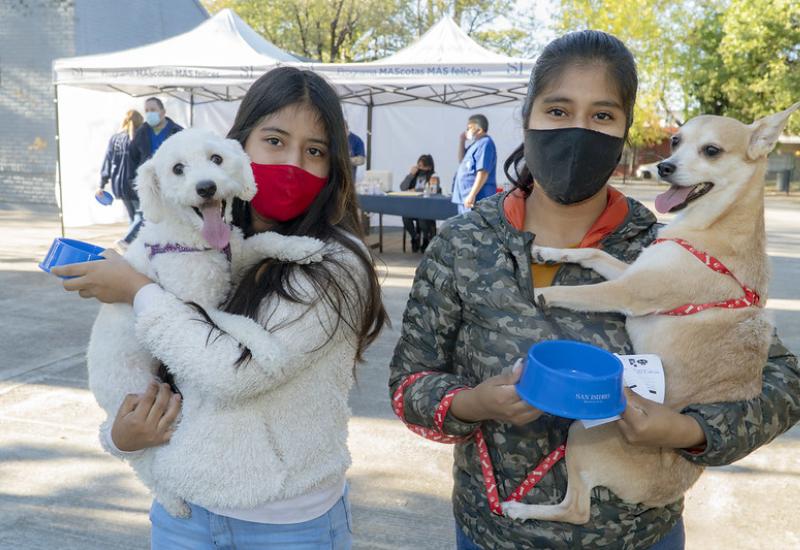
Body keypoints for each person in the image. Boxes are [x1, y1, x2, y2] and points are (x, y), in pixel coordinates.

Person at [389, 30, 800, 550]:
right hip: (492, 534)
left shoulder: (674, 248)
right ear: (528, 116)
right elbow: (408, 385)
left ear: (624, 130)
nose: (578, 130)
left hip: (640, 538)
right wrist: (471, 403)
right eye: (558, 110)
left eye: (602, 116)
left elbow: (783, 385)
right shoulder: (464, 242)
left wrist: (688, 431)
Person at [53, 67, 388, 549]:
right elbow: (140, 368)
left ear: (334, 165)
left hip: (288, 523)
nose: (292, 163)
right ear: (239, 146)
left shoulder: (335, 262)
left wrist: (137, 290)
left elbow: (232, 373)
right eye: (274, 141)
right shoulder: (202, 241)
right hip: (185, 514)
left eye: (314, 151)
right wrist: (120, 437)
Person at [125, 97, 183, 245]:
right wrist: (133, 181)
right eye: (146, 111)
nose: (149, 114)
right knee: (149, 215)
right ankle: (143, 244)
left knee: (170, 216)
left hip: (172, 184)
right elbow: (132, 157)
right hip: (150, 183)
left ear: (162, 112)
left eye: (153, 110)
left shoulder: (178, 132)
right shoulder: (142, 132)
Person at [96, 110, 143, 246]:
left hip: (119, 185)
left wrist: (102, 184)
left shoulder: (115, 138)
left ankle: (132, 247)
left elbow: (107, 161)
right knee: (143, 216)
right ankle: (126, 241)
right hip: (135, 184)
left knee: (133, 217)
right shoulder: (139, 139)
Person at [452, 113, 497, 214]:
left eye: (469, 128)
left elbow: (483, 172)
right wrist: (462, 141)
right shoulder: (475, 144)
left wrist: (472, 194)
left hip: (477, 198)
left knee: (474, 228)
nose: (467, 131)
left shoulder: (485, 143)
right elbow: (461, 160)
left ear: (479, 129)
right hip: (465, 196)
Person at [400, 154, 440, 253]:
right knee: (405, 217)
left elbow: (434, 189)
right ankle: (415, 237)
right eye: (419, 166)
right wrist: (410, 174)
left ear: (429, 167)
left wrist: (416, 190)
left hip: (427, 208)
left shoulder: (433, 176)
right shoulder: (414, 176)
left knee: (422, 218)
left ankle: (426, 239)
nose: (420, 168)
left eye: (422, 166)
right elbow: (403, 188)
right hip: (413, 206)